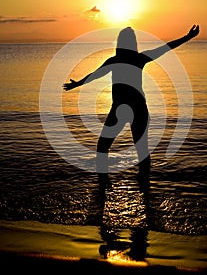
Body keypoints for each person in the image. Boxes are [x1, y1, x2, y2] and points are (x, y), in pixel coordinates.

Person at [63, 25, 199, 188]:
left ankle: (106, 184)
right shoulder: (138, 58)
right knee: (139, 149)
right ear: (133, 43)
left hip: (124, 108)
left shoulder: (117, 60)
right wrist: (187, 37)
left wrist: (77, 84)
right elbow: (166, 48)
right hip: (135, 108)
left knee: (105, 147)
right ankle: (140, 184)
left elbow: (95, 75)